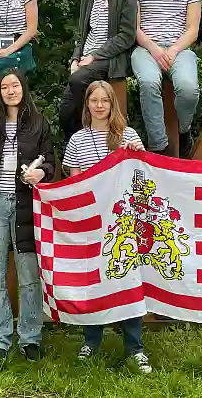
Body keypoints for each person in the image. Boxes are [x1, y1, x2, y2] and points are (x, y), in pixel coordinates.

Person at [0, 68, 55, 366]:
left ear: (23, 88)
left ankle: (30, 338)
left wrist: (39, 173)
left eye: (15, 85)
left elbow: (51, 164)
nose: (11, 91)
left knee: (30, 275)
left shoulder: (39, 124)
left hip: (27, 205)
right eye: (5, 87)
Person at [62, 81, 150, 374]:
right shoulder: (77, 140)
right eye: (94, 101)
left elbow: (143, 179)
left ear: (113, 105)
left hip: (124, 222)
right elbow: (74, 184)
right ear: (86, 105)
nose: (99, 106)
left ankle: (135, 347)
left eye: (105, 101)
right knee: (93, 282)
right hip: (92, 222)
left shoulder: (129, 135)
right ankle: (91, 340)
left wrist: (138, 153)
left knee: (128, 282)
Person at [129, 0, 202, 158]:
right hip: (145, 48)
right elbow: (134, 26)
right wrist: (154, 49)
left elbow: (193, 29)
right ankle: (159, 145)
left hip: (180, 48)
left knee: (189, 89)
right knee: (149, 83)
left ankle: (184, 131)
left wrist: (172, 50)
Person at [58, 0, 138, 142]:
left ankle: (90, 141)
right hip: (86, 59)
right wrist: (76, 59)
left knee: (77, 80)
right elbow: (82, 34)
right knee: (65, 111)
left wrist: (94, 56)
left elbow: (127, 36)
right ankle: (77, 150)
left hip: (109, 59)